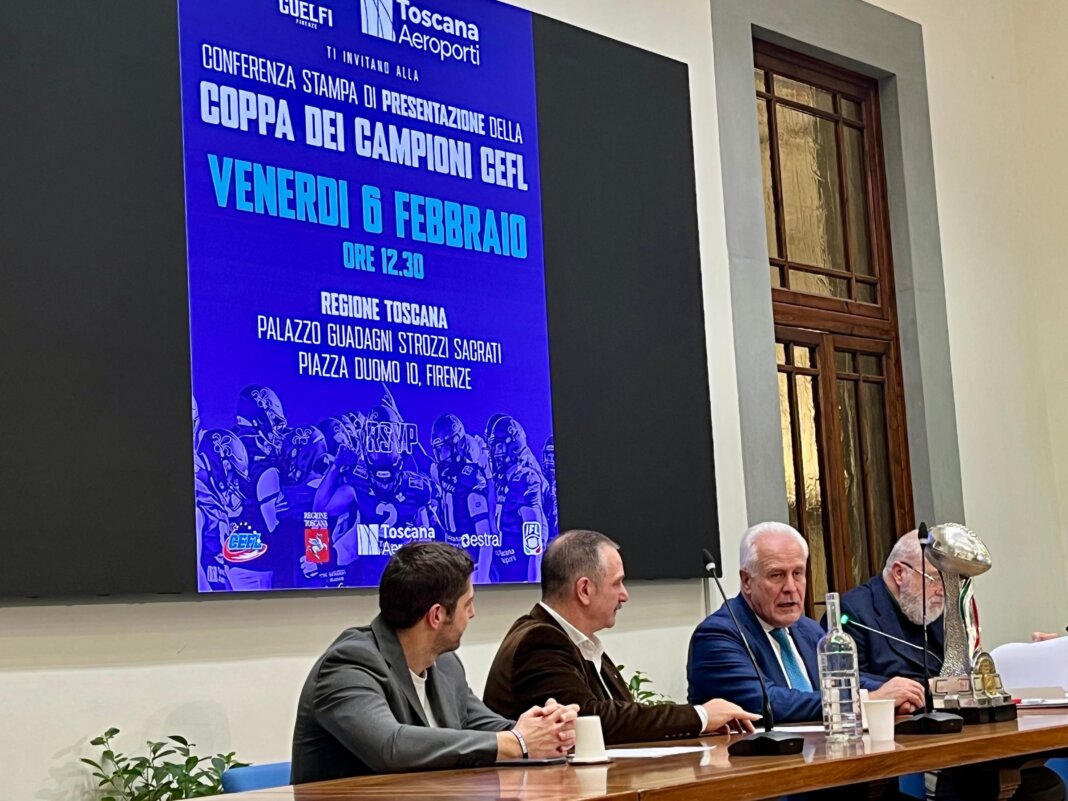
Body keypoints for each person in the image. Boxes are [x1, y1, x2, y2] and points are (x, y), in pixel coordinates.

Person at [291, 542, 578, 783]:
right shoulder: (348, 665)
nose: (473, 614)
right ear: (437, 615)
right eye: (468, 604)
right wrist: (517, 742)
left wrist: (548, 729)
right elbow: (390, 746)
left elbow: (485, 727)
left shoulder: (445, 665)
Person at [842, 534, 1065, 801]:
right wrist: (902, 691)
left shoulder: (936, 606)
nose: (942, 590)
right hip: (908, 741)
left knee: (1039, 785)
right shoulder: (855, 612)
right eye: (934, 578)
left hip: (963, 728)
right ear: (900, 573)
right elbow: (850, 682)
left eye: (947, 581)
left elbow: (961, 664)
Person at [484, 530, 760, 744]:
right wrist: (701, 716)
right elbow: (590, 720)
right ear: (584, 590)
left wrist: (700, 726)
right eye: (617, 583)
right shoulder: (539, 640)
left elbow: (624, 714)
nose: (625, 595)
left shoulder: (577, 641)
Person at [687, 522, 926, 724]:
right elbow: (767, 702)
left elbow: (846, 679)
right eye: (777, 575)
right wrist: (866, 701)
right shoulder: (717, 636)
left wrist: (900, 693)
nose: (791, 588)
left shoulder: (808, 629)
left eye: (798, 573)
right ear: (747, 581)